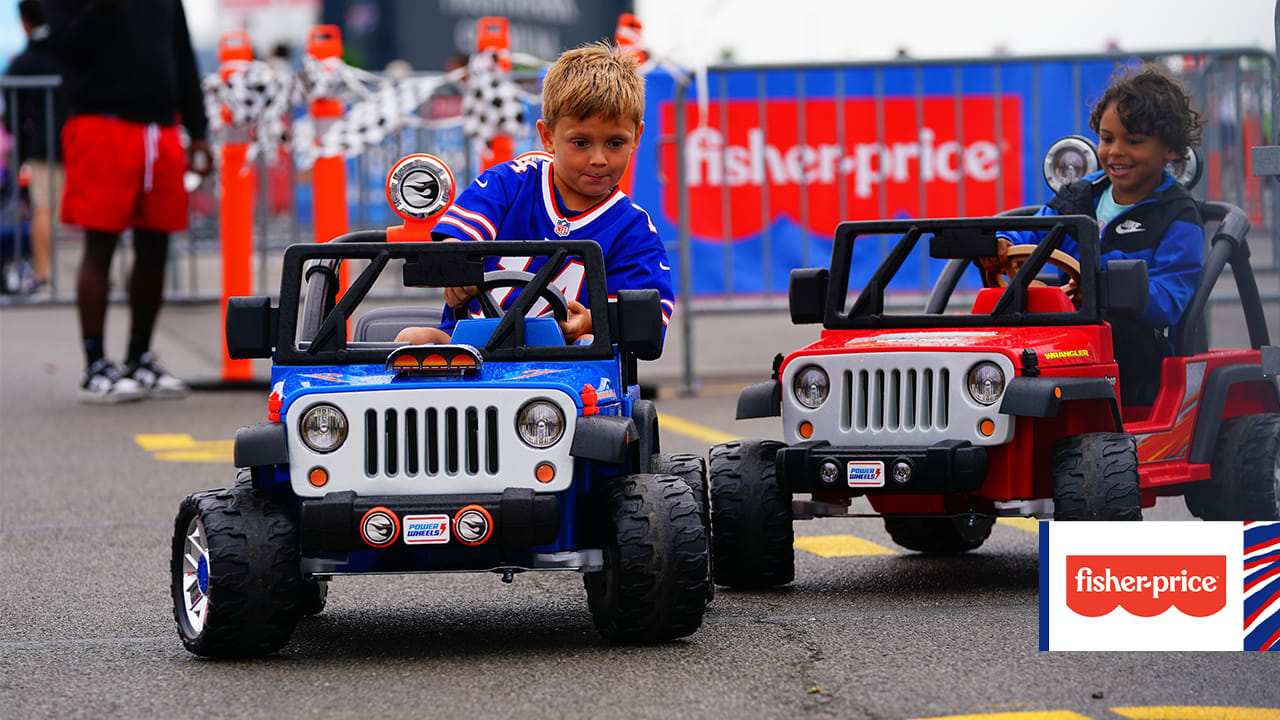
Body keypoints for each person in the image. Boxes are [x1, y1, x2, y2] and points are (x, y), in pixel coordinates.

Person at [395, 41, 674, 346]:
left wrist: (589, 321)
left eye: (615, 143)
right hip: (469, 347)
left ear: (637, 138)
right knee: (412, 338)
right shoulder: (510, 182)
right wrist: (454, 270)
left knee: (590, 345)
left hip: (566, 360)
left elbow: (648, 318)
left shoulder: (633, 230)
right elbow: (456, 240)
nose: (598, 158)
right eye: (581, 143)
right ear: (548, 137)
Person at [988, 63, 1204, 405]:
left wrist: (1109, 278)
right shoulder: (1081, 197)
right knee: (1005, 331)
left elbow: (1171, 298)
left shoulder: (1178, 215)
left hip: (1139, 349)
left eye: (1133, 141)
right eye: (1107, 139)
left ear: (1171, 150)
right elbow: (1031, 233)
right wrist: (999, 246)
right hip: (1074, 333)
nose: (1115, 151)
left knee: (1110, 334)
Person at [44, 0, 212, 404]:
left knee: (156, 244)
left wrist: (199, 130)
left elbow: (181, 53)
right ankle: (96, 365)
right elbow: (64, 45)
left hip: (161, 129)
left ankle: (139, 359)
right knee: (100, 244)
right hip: (102, 124)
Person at [3, 0, 67, 293]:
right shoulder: (67, 47)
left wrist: (19, 129)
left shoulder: (29, 57)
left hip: (45, 144)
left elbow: (9, 87)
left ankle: (44, 273)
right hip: (79, 137)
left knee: (43, 206)